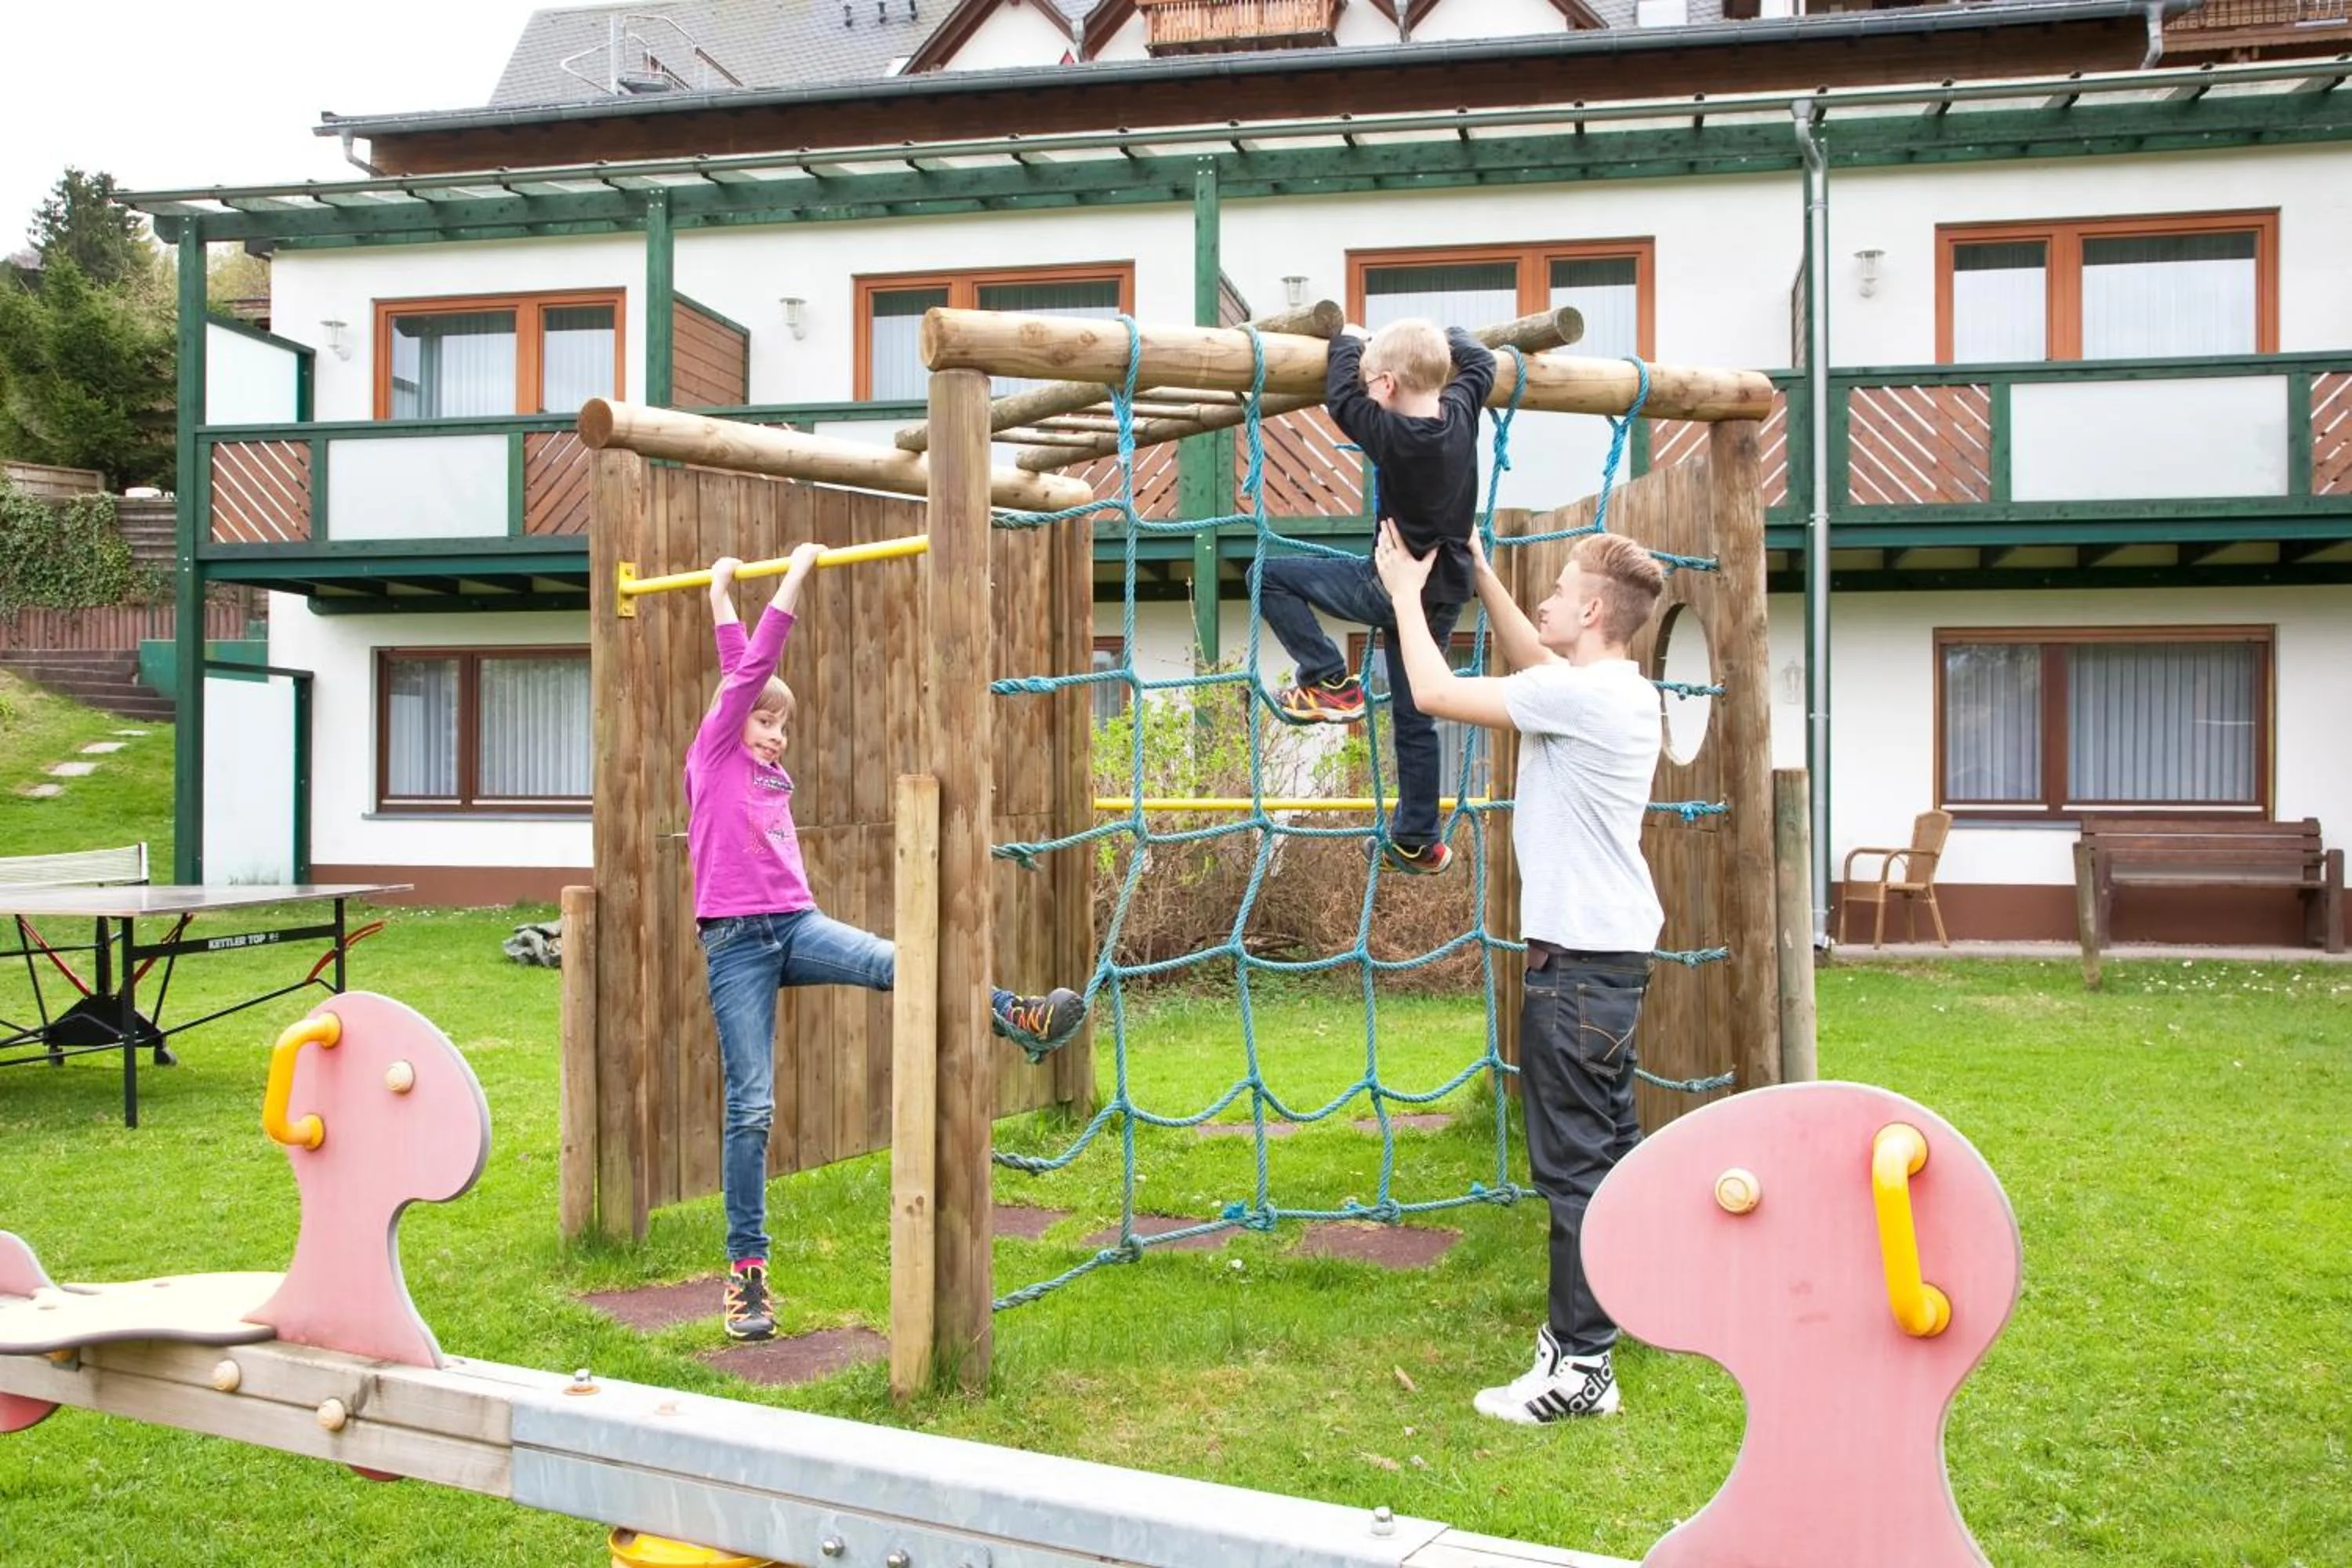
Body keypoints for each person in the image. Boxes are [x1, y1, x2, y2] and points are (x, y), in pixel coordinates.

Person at [689, 550, 1088, 1341]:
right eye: (766, 722)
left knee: (902, 960)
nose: (777, 736)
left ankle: (1015, 1013)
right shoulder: (715, 752)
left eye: (784, 725)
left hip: (797, 922)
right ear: (734, 722)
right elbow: (750, 669)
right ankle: (747, 1276)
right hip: (735, 943)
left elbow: (747, 670)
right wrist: (793, 576)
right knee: (752, 1104)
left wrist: (721, 597)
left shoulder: (756, 755)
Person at [1370, 518, 1668, 1423]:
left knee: (1574, 1165)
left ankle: (1583, 1370)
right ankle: (1598, 1328)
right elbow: (1534, 651)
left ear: (1591, 607)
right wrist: (1482, 569)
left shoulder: (1585, 698)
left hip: (1577, 967)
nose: (1545, 597)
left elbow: (1429, 690)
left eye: (1559, 585)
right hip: (1605, 957)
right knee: (1608, 1155)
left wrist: (1401, 596)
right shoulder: (1608, 687)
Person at [1248, 318, 1496, 875]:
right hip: (1444, 593)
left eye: (1369, 383)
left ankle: (1329, 678)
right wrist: (1452, 333)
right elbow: (1481, 363)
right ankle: (1416, 839)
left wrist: (1346, 340)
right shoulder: (1460, 412)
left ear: (1384, 386)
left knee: (1267, 574)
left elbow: (1339, 394)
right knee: (1417, 713)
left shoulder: (1390, 433)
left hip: (1390, 587)